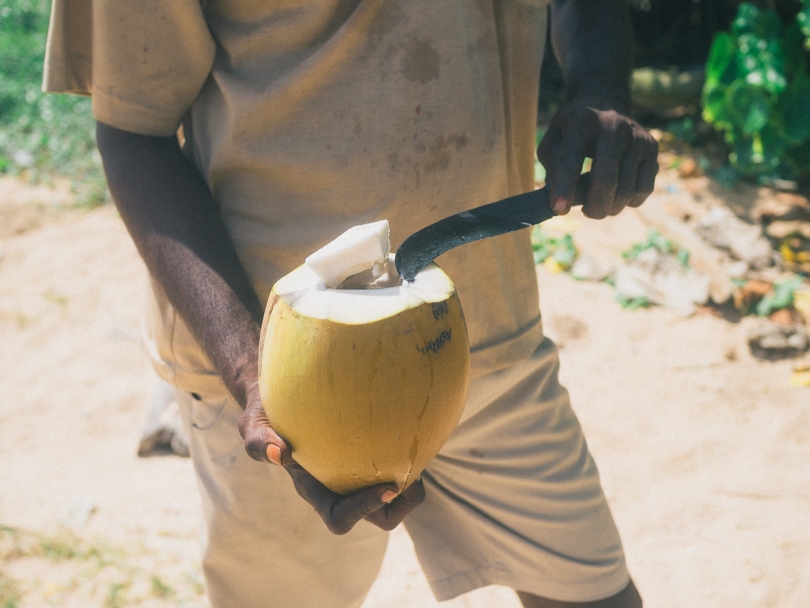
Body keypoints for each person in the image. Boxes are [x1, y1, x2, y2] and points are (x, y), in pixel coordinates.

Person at [44, 1, 657, 606]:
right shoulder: (271, 383)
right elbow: (133, 130)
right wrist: (256, 378)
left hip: (481, 335)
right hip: (286, 376)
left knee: (592, 595)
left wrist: (600, 90)